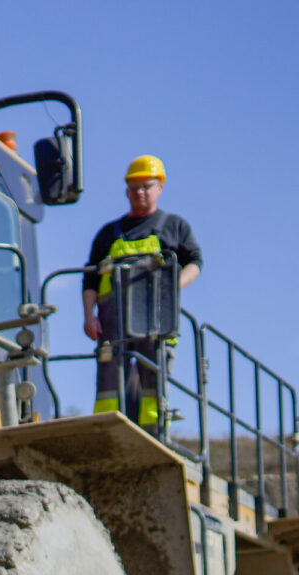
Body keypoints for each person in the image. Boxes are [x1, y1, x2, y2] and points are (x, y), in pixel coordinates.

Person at [82, 155, 201, 425]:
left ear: (159, 187)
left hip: (156, 320)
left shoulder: (174, 227)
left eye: (146, 186)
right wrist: (89, 315)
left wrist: (173, 287)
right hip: (113, 325)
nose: (140, 192)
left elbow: (195, 262)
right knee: (110, 387)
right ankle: (107, 431)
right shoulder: (108, 233)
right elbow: (89, 280)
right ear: (127, 191)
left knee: (153, 384)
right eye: (135, 187)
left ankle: (155, 433)